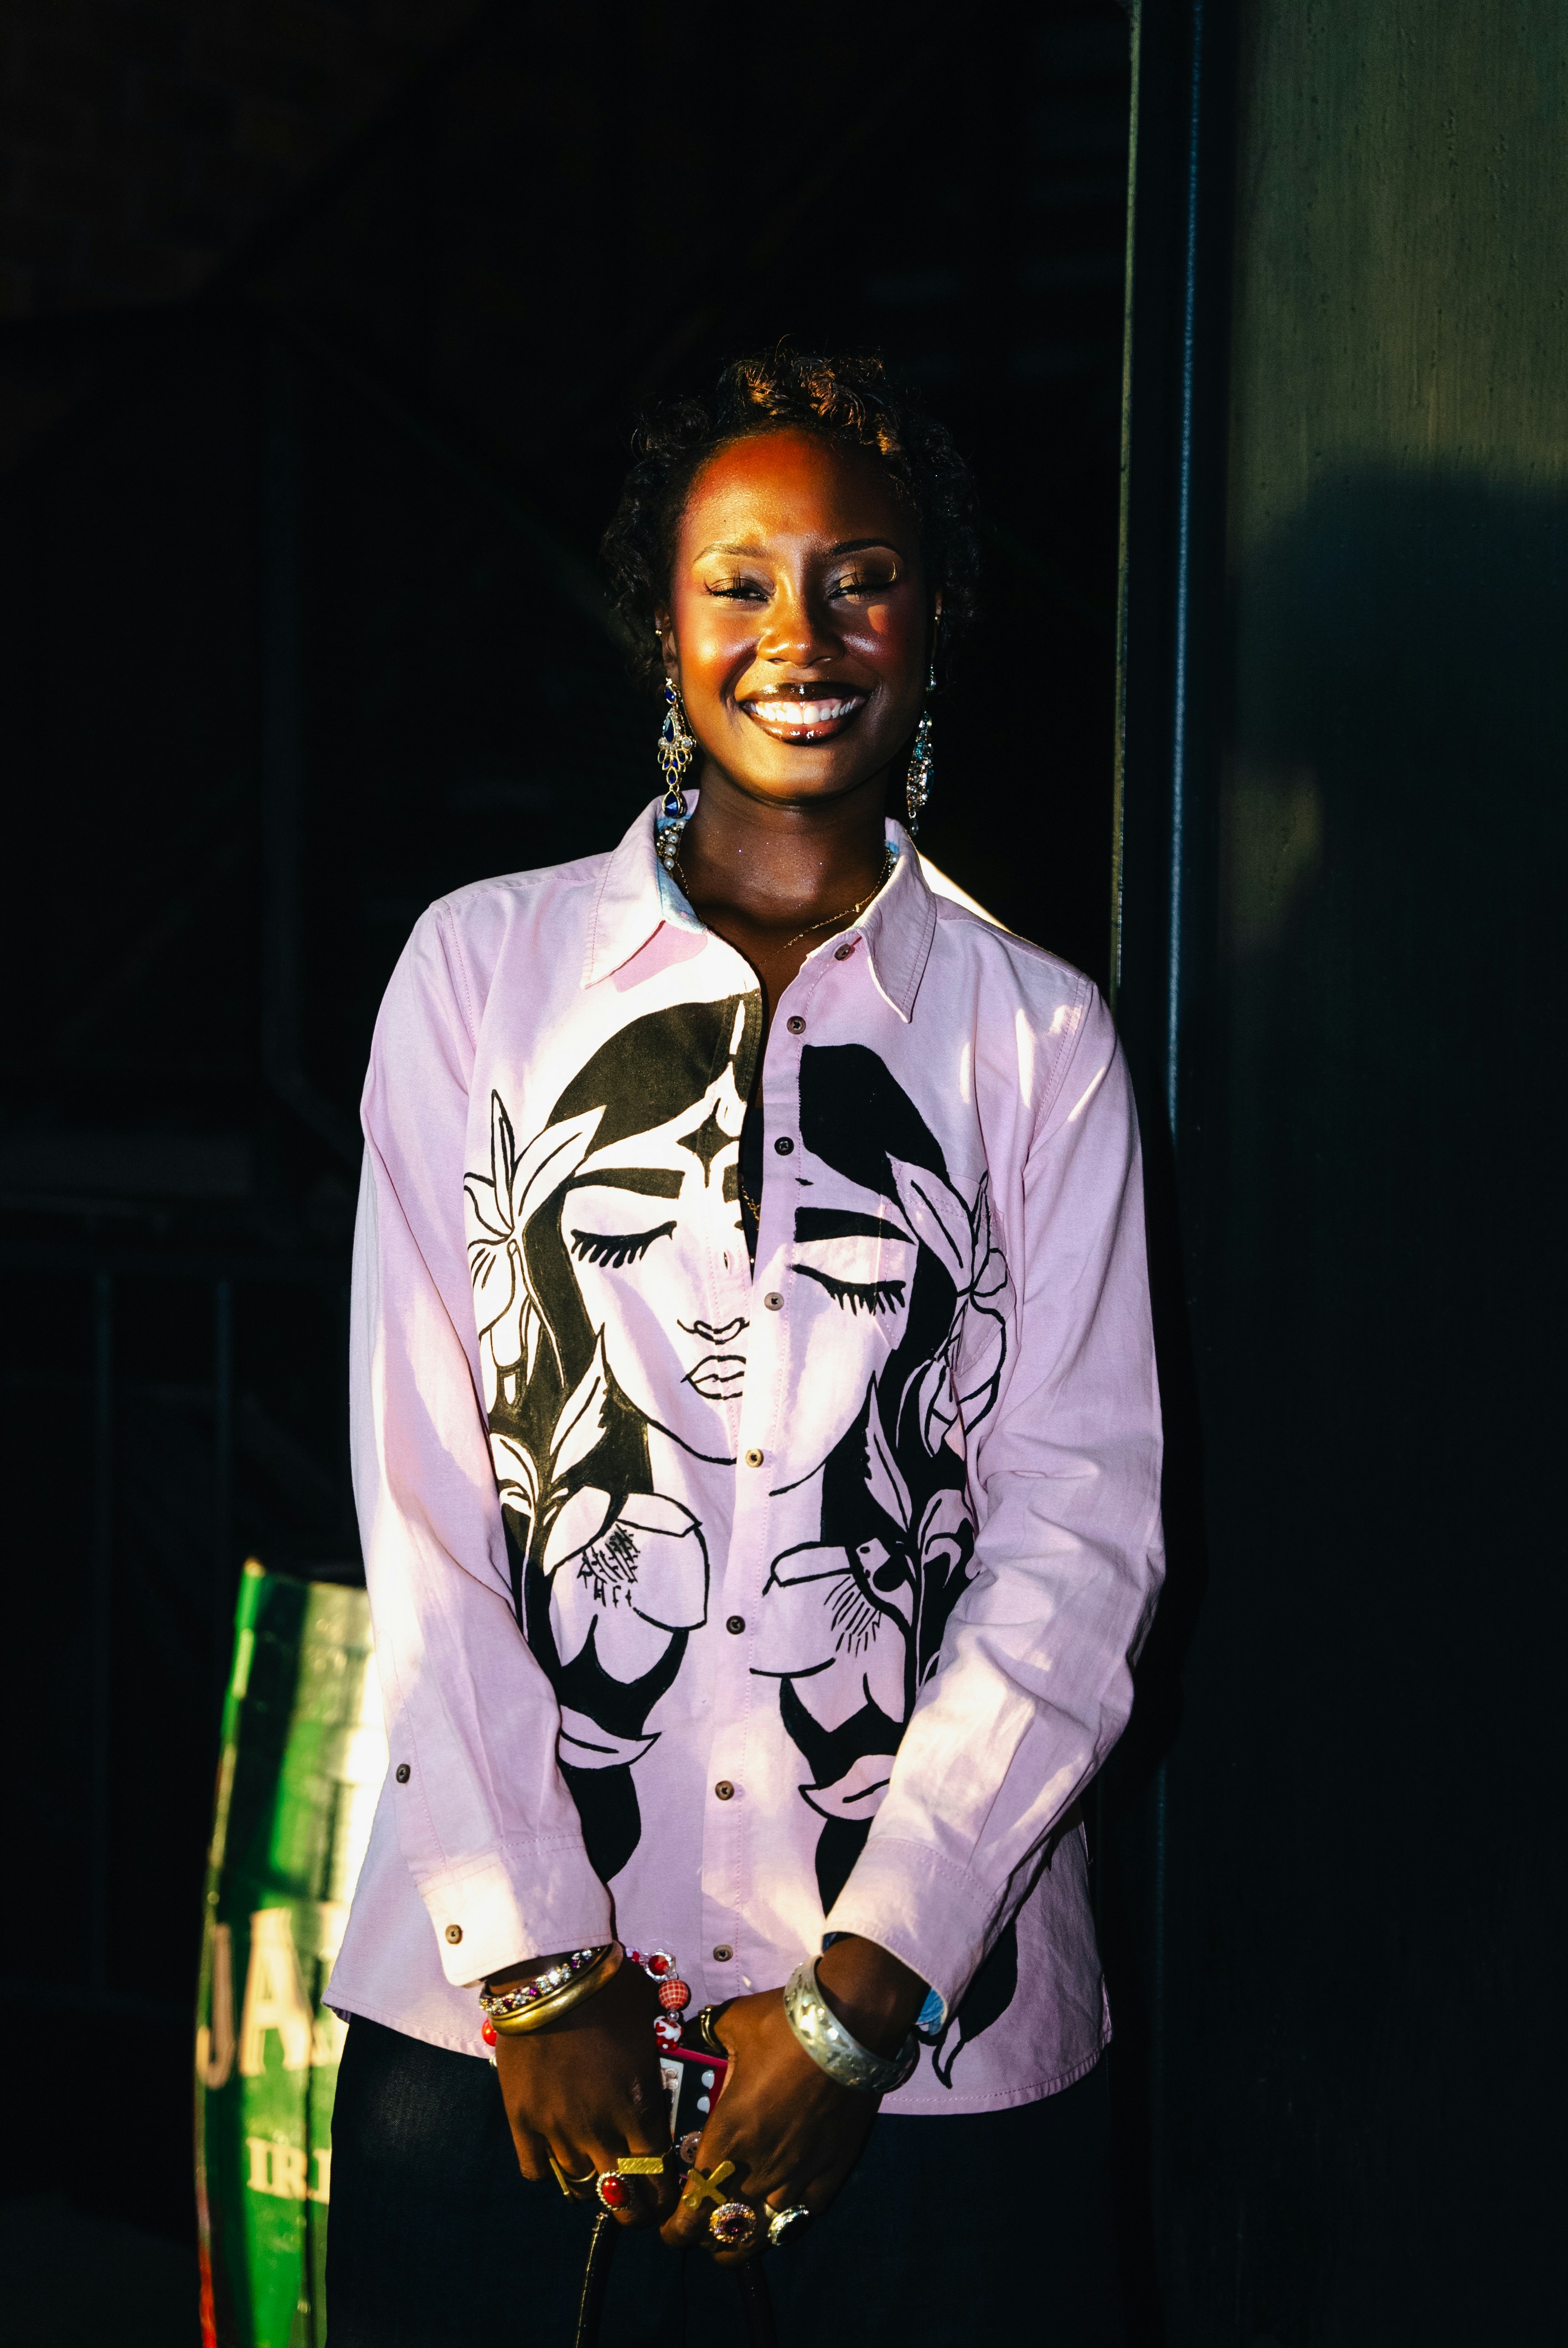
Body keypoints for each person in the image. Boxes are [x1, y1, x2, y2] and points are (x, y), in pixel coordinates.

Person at [324, 349, 1164, 2347]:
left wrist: (865, 2000)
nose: (800, 633)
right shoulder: (478, 972)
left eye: (859, 576)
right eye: (739, 579)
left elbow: (1080, 1539)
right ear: (666, 624)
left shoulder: (1036, 1040)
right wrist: (533, 1961)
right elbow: (424, 1486)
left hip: (935, 2086)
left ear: (934, 616)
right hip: (501, 2071)